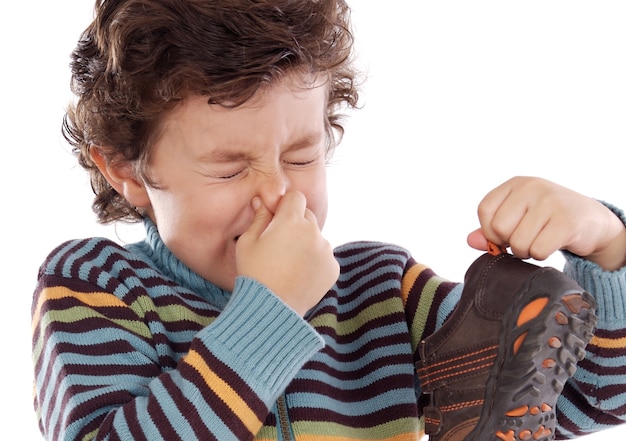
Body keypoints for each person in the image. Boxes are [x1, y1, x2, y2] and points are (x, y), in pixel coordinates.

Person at [31, 0, 626, 440]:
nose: (279, 197)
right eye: (229, 168)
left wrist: (605, 244)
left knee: (499, 349)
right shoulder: (97, 285)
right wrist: (270, 315)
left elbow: (589, 397)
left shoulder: (378, 289)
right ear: (126, 172)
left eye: (301, 156)